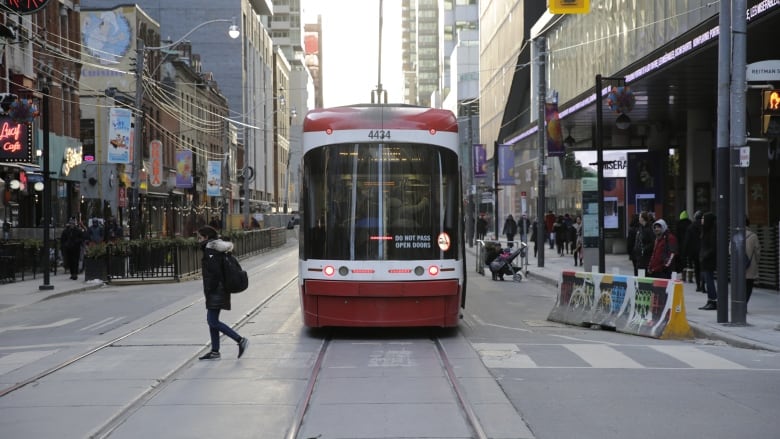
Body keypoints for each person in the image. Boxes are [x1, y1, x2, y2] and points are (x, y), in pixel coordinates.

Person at [197, 225, 249, 360]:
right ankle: (215, 351)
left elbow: (215, 273)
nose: (198, 240)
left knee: (212, 321)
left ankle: (240, 340)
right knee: (212, 321)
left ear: (206, 238)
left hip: (216, 290)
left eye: (200, 237)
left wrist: (210, 289)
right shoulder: (218, 249)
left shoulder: (210, 250)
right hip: (219, 289)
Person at [698, 212, 717, 310]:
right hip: (705, 259)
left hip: (708, 260)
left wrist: (704, 256)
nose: (701, 221)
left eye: (703, 219)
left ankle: (713, 300)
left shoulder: (712, 232)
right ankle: (710, 300)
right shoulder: (705, 230)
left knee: (709, 280)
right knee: (707, 280)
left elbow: (713, 248)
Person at [630, 211, 655, 276]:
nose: (639, 218)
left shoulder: (649, 229)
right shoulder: (640, 228)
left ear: (643, 218)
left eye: (640, 217)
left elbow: (653, 242)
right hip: (639, 257)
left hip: (646, 257)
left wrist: (644, 249)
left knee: (645, 274)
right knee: (639, 273)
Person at [744, 216, 762, 306]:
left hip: (738, 266)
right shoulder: (753, 236)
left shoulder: (735, 234)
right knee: (749, 286)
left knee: (739, 285)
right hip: (750, 265)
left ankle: (739, 304)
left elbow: (731, 250)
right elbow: (757, 252)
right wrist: (756, 261)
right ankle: (745, 303)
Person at [685, 211, 704, 292]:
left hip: (694, 252)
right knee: (703, 269)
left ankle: (698, 285)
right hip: (704, 251)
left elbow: (687, 241)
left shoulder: (690, 227)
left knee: (697, 269)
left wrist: (686, 252)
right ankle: (703, 285)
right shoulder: (705, 226)